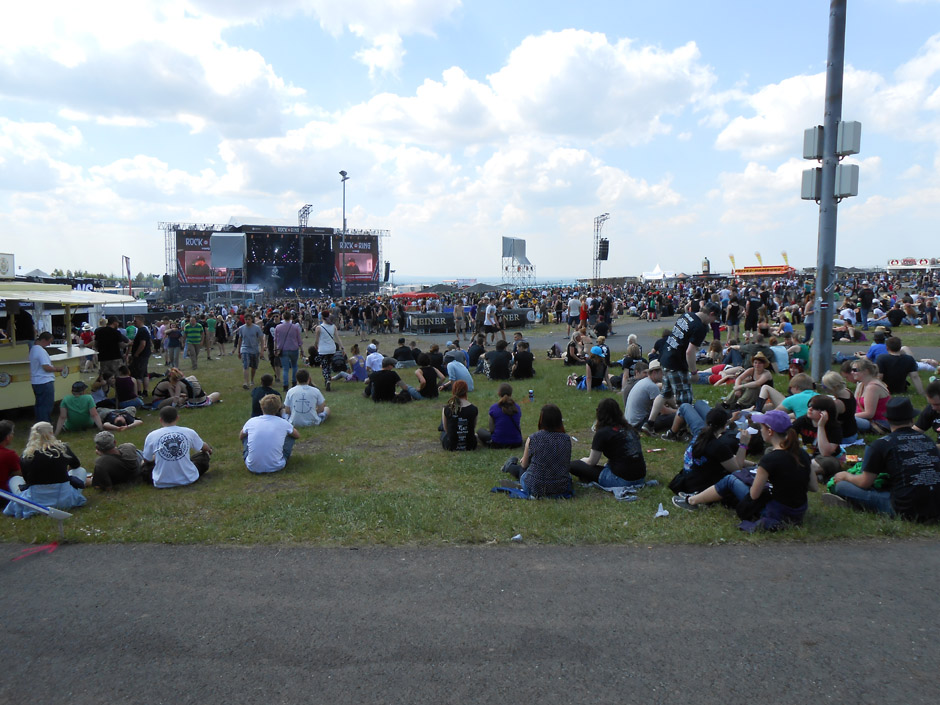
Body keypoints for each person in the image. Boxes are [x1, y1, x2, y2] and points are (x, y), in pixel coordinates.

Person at [673, 410, 814, 531]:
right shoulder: (802, 453)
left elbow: (754, 495)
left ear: (770, 431)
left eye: (761, 427)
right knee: (745, 475)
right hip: (799, 511)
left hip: (776, 513)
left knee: (731, 479)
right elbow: (813, 486)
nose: (760, 430)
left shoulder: (770, 459)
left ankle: (691, 501)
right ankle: (694, 498)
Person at [826, 398, 940, 522]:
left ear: (888, 420)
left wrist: (845, 476)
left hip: (906, 508)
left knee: (842, 486)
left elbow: (864, 482)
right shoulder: (928, 440)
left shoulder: (881, 444)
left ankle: (855, 504)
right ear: (912, 419)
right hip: (936, 505)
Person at [3, 422, 87, 518]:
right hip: (64, 499)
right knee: (81, 471)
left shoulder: (27, 455)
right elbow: (76, 465)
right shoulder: (63, 449)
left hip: (36, 502)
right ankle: (73, 496)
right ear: (51, 433)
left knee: (15, 479)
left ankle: (25, 503)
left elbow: (27, 480)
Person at [668, 407, 749, 495]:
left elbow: (728, 458)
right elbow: (737, 469)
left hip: (686, 480)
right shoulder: (718, 446)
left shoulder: (700, 435)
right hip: (700, 487)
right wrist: (743, 445)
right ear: (725, 426)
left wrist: (731, 420)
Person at [569, 398, 648, 488]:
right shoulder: (629, 429)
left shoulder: (603, 433)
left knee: (573, 465)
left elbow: (592, 462)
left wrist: (582, 460)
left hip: (622, 480)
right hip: (640, 477)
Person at [501, 404, 572, 497]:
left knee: (523, 471)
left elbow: (524, 465)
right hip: (560, 487)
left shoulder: (534, 438)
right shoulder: (566, 439)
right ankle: (510, 466)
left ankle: (509, 466)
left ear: (542, 420)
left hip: (536, 486)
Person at [659, 302, 721, 405]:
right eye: (714, 318)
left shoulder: (687, 315)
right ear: (711, 314)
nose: (713, 322)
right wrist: (694, 372)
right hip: (677, 363)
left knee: (665, 394)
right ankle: (683, 420)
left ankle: (651, 420)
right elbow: (689, 352)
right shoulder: (700, 327)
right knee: (685, 401)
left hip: (665, 356)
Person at [142, 405, 212, 488]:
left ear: (160, 420)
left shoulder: (152, 435)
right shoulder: (188, 431)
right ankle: (185, 467)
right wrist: (209, 450)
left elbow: (147, 459)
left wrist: (155, 457)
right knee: (203, 456)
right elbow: (204, 447)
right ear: (177, 418)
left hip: (161, 481)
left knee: (144, 466)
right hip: (188, 479)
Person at [240, 394, 301, 474]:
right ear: (278, 408)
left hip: (252, 466)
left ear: (261, 407)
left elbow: (241, 436)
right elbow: (297, 435)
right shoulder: (283, 423)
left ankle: (254, 456)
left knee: (245, 435)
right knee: (290, 436)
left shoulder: (252, 421)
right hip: (277, 466)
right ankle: (278, 455)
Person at [476, 383, 523, 449]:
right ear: (511, 393)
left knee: (480, 431)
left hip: (498, 443)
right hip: (516, 443)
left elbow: (492, 429)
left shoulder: (494, 408)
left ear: (499, 393)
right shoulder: (517, 407)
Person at [29, 331, 61, 424]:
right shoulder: (40, 350)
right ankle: (45, 424)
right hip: (45, 381)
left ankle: (39, 424)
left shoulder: (33, 349)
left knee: (39, 405)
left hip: (36, 381)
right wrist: (57, 369)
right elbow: (46, 367)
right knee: (46, 405)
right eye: (49, 342)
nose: (49, 344)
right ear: (43, 340)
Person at [852, 359, 890, 434]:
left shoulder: (872, 387)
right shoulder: (861, 384)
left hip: (877, 422)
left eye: (855, 370)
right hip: (864, 419)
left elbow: (869, 414)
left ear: (866, 371)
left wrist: (848, 416)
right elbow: (854, 404)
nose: (852, 372)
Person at [440, 380, 479, 451]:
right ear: (466, 391)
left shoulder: (447, 408)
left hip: (451, 446)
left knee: (443, 431)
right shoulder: (474, 409)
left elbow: (446, 429)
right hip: (470, 445)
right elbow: (472, 426)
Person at [313, 312, 343, 391]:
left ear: (322, 317)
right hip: (332, 349)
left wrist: (315, 345)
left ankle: (327, 379)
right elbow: (337, 338)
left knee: (324, 366)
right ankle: (328, 378)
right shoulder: (333, 326)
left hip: (323, 349)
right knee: (328, 365)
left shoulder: (319, 328)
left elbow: (317, 340)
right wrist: (342, 347)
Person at [274, 311, 303, 390]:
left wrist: (275, 349)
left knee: (285, 368)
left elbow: (275, 340)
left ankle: (285, 385)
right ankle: (294, 382)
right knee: (294, 366)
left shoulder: (278, 327)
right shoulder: (295, 327)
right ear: (291, 317)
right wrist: (302, 350)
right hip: (294, 348)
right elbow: (299, 339)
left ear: (283, 317)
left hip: (283, 349)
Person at [235, 314, 264, 389]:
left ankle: (252, 380)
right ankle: (245, 382)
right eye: (246, 319)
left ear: (252, 320)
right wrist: (238, 351)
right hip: (245, 349)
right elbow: (240, 339)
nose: (247, 321)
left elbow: (261, 339)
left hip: (254, 349)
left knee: (254, 367)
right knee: (246, 365)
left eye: (248, 319)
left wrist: (262, 351)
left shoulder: (257, 328)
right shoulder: (242, 328)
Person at [129, 314, 152, 396]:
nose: (133, 322)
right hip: (145, 355)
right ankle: (145, 391)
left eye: (135, 321)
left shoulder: (142, 331)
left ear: (141, 321)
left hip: (141, 356)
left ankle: (139, 392)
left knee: (137, 374)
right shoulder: (142, 330)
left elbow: (142, 344)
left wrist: (136, 354)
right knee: (145, 373)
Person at [0, 420, 22, 494]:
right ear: (8, 437)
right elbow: (20, 473)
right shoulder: (9, 454)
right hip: (5, 496)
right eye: (12, 433)